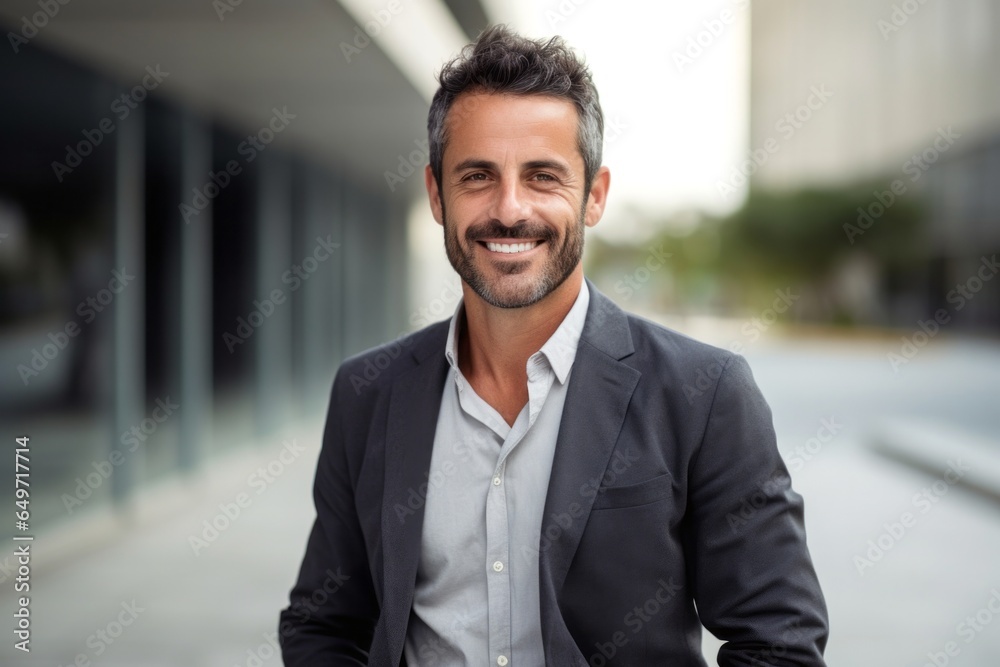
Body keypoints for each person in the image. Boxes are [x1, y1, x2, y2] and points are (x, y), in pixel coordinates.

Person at [279, 24, 828, 666]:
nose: (510, 210)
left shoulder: (705, 394)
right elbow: (323, 624)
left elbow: (778, 643)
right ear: (436, 194)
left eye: (543, 176)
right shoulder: (366, 392)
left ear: (594, 196)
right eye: (478, 176)